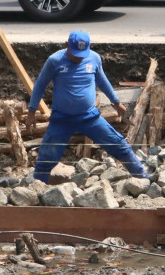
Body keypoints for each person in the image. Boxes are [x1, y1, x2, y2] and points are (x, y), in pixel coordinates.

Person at [26, 30, 149, 182]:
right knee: (47, 156)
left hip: (89, 117)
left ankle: (142, 178)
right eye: (75, 54)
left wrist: (116, 102)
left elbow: (102, 81)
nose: (79, 58)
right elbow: (40, 85)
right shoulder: (54, 60)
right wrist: (31, 111)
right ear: (66, 45)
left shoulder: (94, 58)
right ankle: (38, 186)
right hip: (62, 118)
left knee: (118, 144)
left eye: (82, 54)